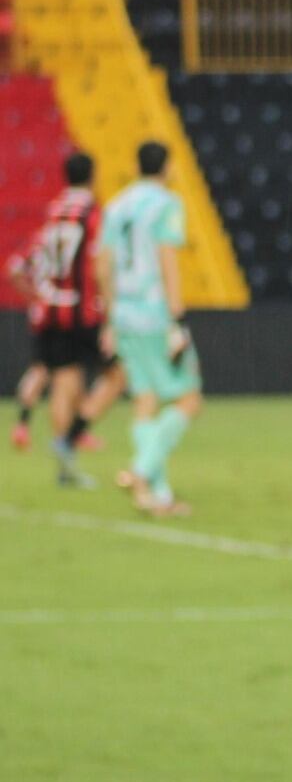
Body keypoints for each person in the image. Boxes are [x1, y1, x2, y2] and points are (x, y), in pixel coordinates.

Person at [98, 141, 202, 517]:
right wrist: (176, 316)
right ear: (168, 167)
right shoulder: (166, 204)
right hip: (154, 312)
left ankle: (156, 495)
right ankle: (140, 473)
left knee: (144, 399)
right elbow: (166, 257)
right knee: (189, 399)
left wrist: (111, 316)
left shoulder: (117, 205)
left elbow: (103, 265)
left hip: (124, 314)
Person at [3, 152, 118, 485]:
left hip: (50, 311)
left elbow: (16, 267)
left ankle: (65, 467)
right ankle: (71, 437)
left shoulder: (53, 213)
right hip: (81, 310)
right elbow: (100, 265)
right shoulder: (92, 214)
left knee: (62, 382)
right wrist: (109, 315)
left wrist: (36, 297)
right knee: (117, 374)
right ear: (92, 175)